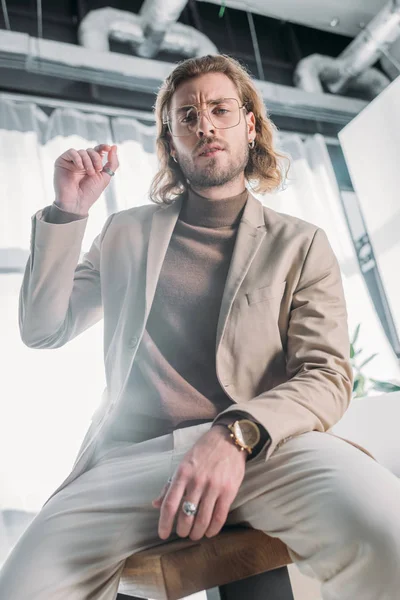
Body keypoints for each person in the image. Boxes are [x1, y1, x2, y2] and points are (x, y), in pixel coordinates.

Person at [1, 53, 399, 600]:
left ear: (249, 125)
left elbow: (326, 374)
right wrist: (67, 212)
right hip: (127, 458)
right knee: (22, 588)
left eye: (219, 109)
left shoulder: (301, 243)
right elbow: (43, 329)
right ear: (170, 141)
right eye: (186, 116)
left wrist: (235, 434)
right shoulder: (124, 232)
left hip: (263, 451)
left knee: (389, 532)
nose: (204, 124)